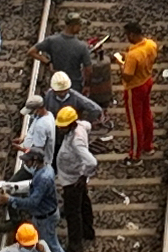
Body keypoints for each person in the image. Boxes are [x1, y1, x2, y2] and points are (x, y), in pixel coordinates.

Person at [53, 105, 98, 252]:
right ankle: (88, 232)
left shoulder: (76, 142)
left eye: (62, 126)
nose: (60, 129)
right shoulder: (81, 126)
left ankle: (75, 244)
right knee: (84, 203)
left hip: (72, 180)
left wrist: (84, 175)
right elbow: (89, 125)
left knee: (73, 213)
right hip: (75, 176)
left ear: (71, 124)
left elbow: (92, 162)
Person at [117, 17, 161, 160]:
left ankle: (135, 154)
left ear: (132, 35)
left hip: (134, 88)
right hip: (147, 81)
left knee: (135, 122)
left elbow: (127, 76)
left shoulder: (133, 55)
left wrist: (121, 65)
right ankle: (148, 146)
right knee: (146, 114)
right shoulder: (150, 44)